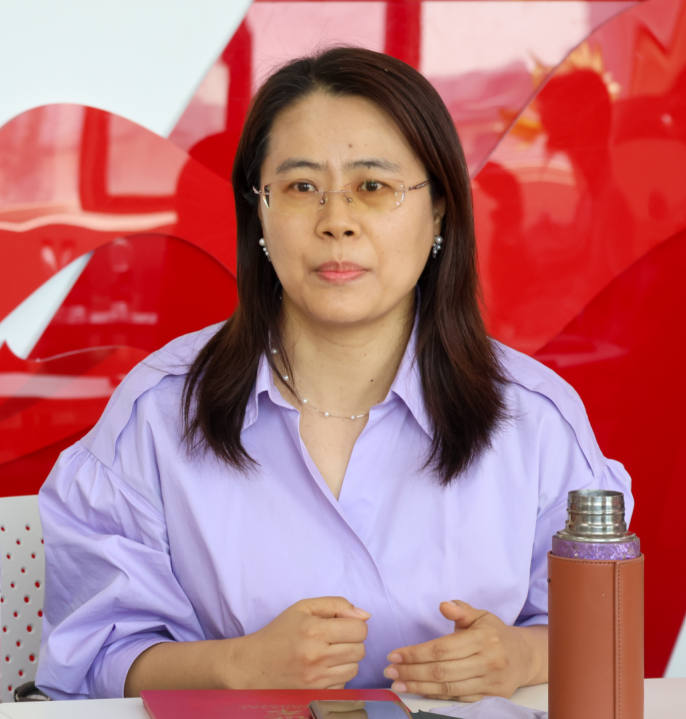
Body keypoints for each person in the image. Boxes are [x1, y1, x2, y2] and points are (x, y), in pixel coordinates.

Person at [35, 47, 633, 702]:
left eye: (373, 187)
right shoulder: (159, 412)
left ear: (438, 210)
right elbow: (91, 657)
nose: (337, 221)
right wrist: (237, 666)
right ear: (258, 212)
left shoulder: (534, 419)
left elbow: (605, 635)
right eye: (300, 188)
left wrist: (518, 655)